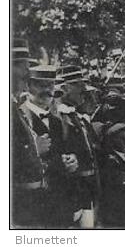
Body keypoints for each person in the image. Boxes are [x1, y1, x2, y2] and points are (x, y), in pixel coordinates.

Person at [48, 65, 99, 228]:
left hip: (87, 190)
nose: (83, 90)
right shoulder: (58, 116)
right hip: (73, 193)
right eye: (78, 85)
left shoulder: (75, 115)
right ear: (65, 88)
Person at [12, 62, 58, 227]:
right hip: (27, 205)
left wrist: (71, 159)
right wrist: (34, 150)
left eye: (50, 84)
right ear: (28, 85)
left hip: (56, 204)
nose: (47, 90)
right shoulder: (17, 116)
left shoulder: (57, 121)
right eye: (40, 84)